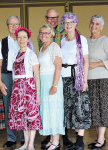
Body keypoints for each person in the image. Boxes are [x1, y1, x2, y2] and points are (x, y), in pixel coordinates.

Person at [0, 15, 35, 148]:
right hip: (7, 76)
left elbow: (34, 63)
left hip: (24, 78)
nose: (13, 27)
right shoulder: (3, 42)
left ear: (20, 26)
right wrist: (0, 81)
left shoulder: (26, 40)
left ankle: (25, 139)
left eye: (16, 24)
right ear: (7, 27)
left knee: (25, 108)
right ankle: (11, 137)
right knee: (10, 108)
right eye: (11, 24)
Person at [38, 8, 71, 148]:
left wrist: (55, 85)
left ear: (51, 34)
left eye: (46, 33)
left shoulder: (54, 47)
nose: (44, 35)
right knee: (48, 111)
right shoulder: (41, 48)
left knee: (55, 111)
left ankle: (56, 142)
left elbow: (58, 67)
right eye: (41, 33)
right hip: (44, 82)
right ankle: (51, 140)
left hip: (53, 81)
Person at [60, 12, 91, 150]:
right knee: (68, 108)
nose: (68, 25)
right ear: (63, 25)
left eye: (71, 22)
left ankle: (80, 141)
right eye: (66, 22)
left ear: (75, 24)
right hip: (64, 76)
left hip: (77, 77)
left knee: (80, 108)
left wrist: (84, 79)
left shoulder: (81, 39)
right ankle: (69, 139)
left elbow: (86, 60)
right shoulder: (62, 40)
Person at [87, 15, 108, 150]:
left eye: (97, 24)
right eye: (92, 23)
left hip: (104, 80)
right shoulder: (85, 41)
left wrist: (97, 64)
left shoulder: (106, 41)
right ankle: (100, 138)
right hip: (90, 81)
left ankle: (100, 139)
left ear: (102, 26)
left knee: (103, 110)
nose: (94, 26)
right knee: (94, 111)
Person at [9, 27, 42, 150]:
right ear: (16, 39)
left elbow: (37, 75)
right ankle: (25, 143)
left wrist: (37, 94)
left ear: (28, 39)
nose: (21, 39)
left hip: (29, 87)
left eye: (24, 37)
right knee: (22, 117)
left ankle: (31, 144)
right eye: (19, 37)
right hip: (18, 88)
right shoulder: (16, 54)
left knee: (31, 116)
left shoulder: (31, 54)